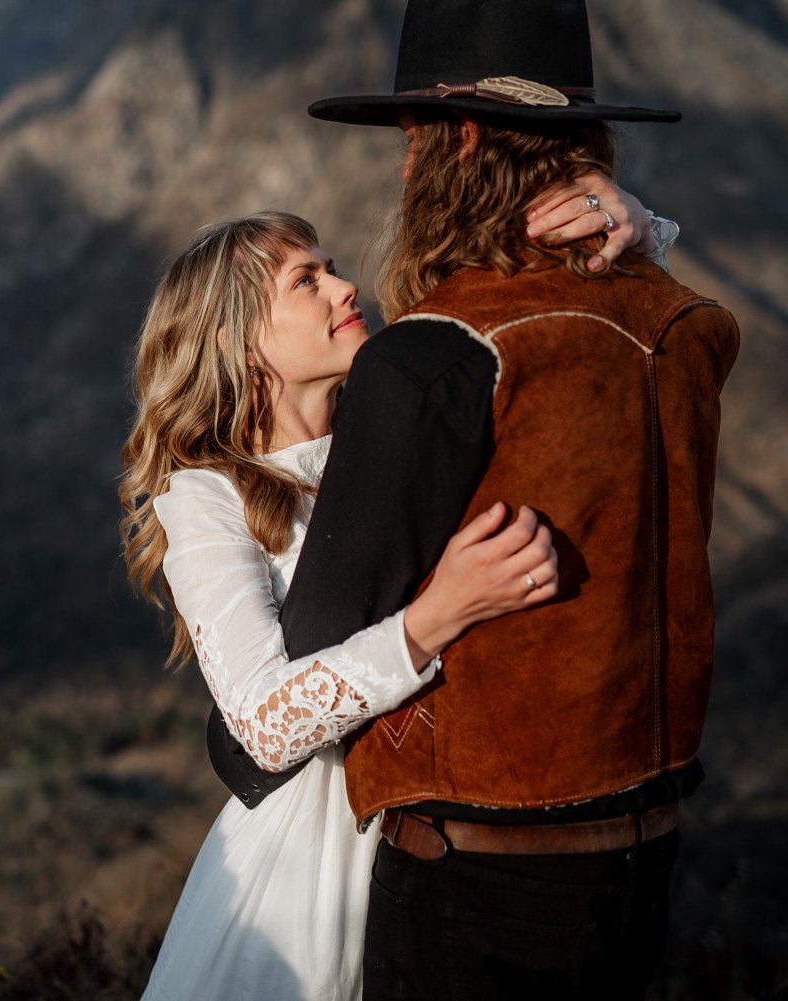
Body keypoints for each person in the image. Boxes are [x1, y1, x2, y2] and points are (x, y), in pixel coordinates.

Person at [271, 2, 742, 998]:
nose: (404, 171)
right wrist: (638, 224)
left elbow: (315, 645)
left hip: (478, 875)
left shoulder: (432, 356)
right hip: (645, 851)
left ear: (462, 139)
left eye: (412, 142)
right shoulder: (689, 325)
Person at [120, 178, 672, 999]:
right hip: (308, 860)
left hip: (453, 825)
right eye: (305, 281)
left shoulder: (402, 434)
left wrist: (643, 233)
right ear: (239, 343)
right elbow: (264, 724)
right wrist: (434, 616)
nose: (345, 287)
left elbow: (563, 358)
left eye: (331, 268)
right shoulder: (207, 498)